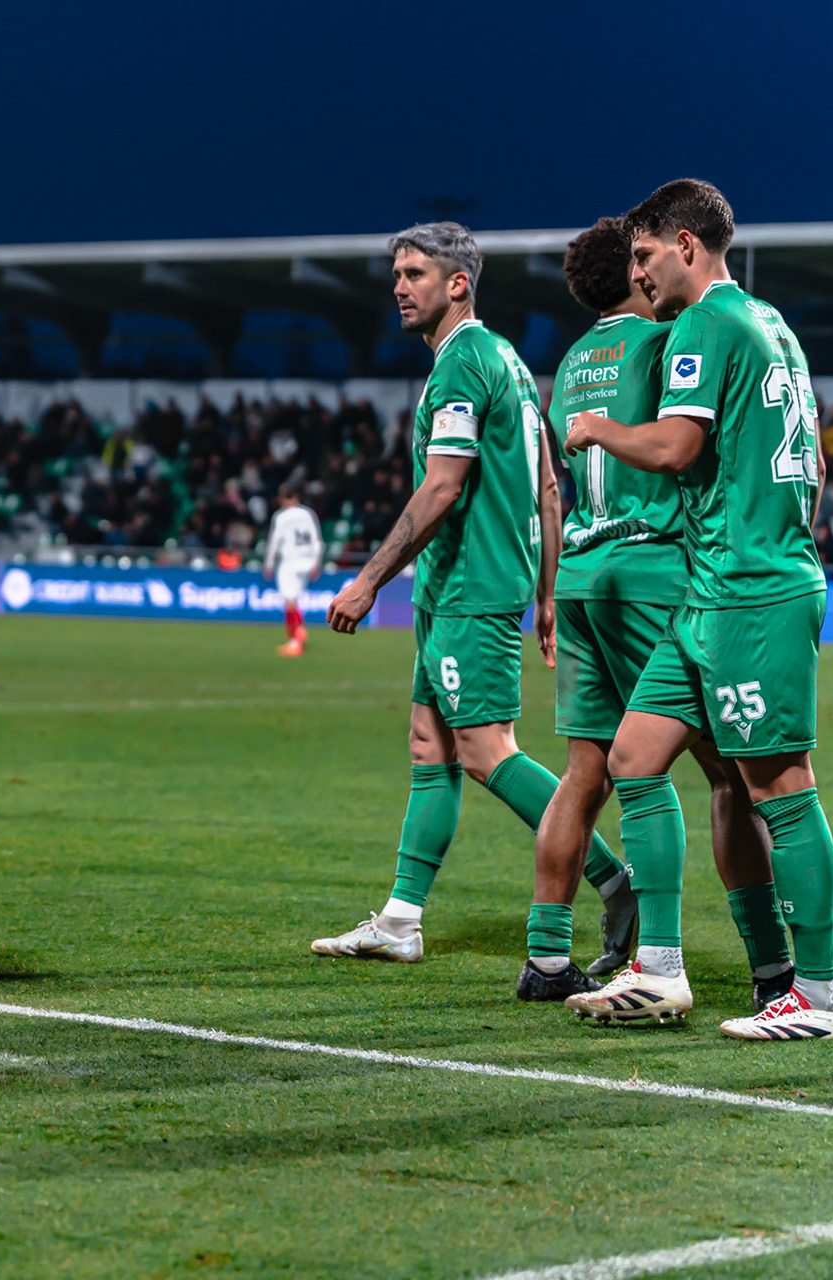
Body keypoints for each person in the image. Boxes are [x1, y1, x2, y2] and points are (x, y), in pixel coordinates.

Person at [561, 180, 833, 1040]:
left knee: (778, 785)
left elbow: (676, 446)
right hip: (715, 586)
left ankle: (822, 996)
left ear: (687, 245)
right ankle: (661, 974)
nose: (637, 274)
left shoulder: (705, 324)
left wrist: (599, 429)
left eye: (645, 255)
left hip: (750, 592)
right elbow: (817, 473)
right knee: (636, 757)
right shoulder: (772, 325)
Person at [312, 222, 629, 963]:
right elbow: (550, 485)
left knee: (487, 752)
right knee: (431, 747)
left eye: (416, 273)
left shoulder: (461, 366)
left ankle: (618, 882)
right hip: (462, 587)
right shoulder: (507, 361)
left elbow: (444, 486)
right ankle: (398, 923)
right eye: (397, 272)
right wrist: (546, 593)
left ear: (459, 283)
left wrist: (365, 580)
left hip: (470, 588)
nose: (400, 286)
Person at [521, 217, 784, 1005]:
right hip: (653, 569)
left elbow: (556, 484)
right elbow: (682, 448)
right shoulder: (666, 343)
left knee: (585, 770)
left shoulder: (569, 365)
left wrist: (548, 589)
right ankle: (771, 963)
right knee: (731, 773)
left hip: (581, 574)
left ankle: (543, 957)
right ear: (637, 277)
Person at [260, 485, 321, 657]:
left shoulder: (281, 516)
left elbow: (274, 541)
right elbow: (316, 539)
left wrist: (269, 564)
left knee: (289, 601)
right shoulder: (308, 514)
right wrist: (316, 562)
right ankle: (298, 634)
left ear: (282, 499)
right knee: (294, 599)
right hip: (306, 561)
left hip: (289, 561)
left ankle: (296, 638)